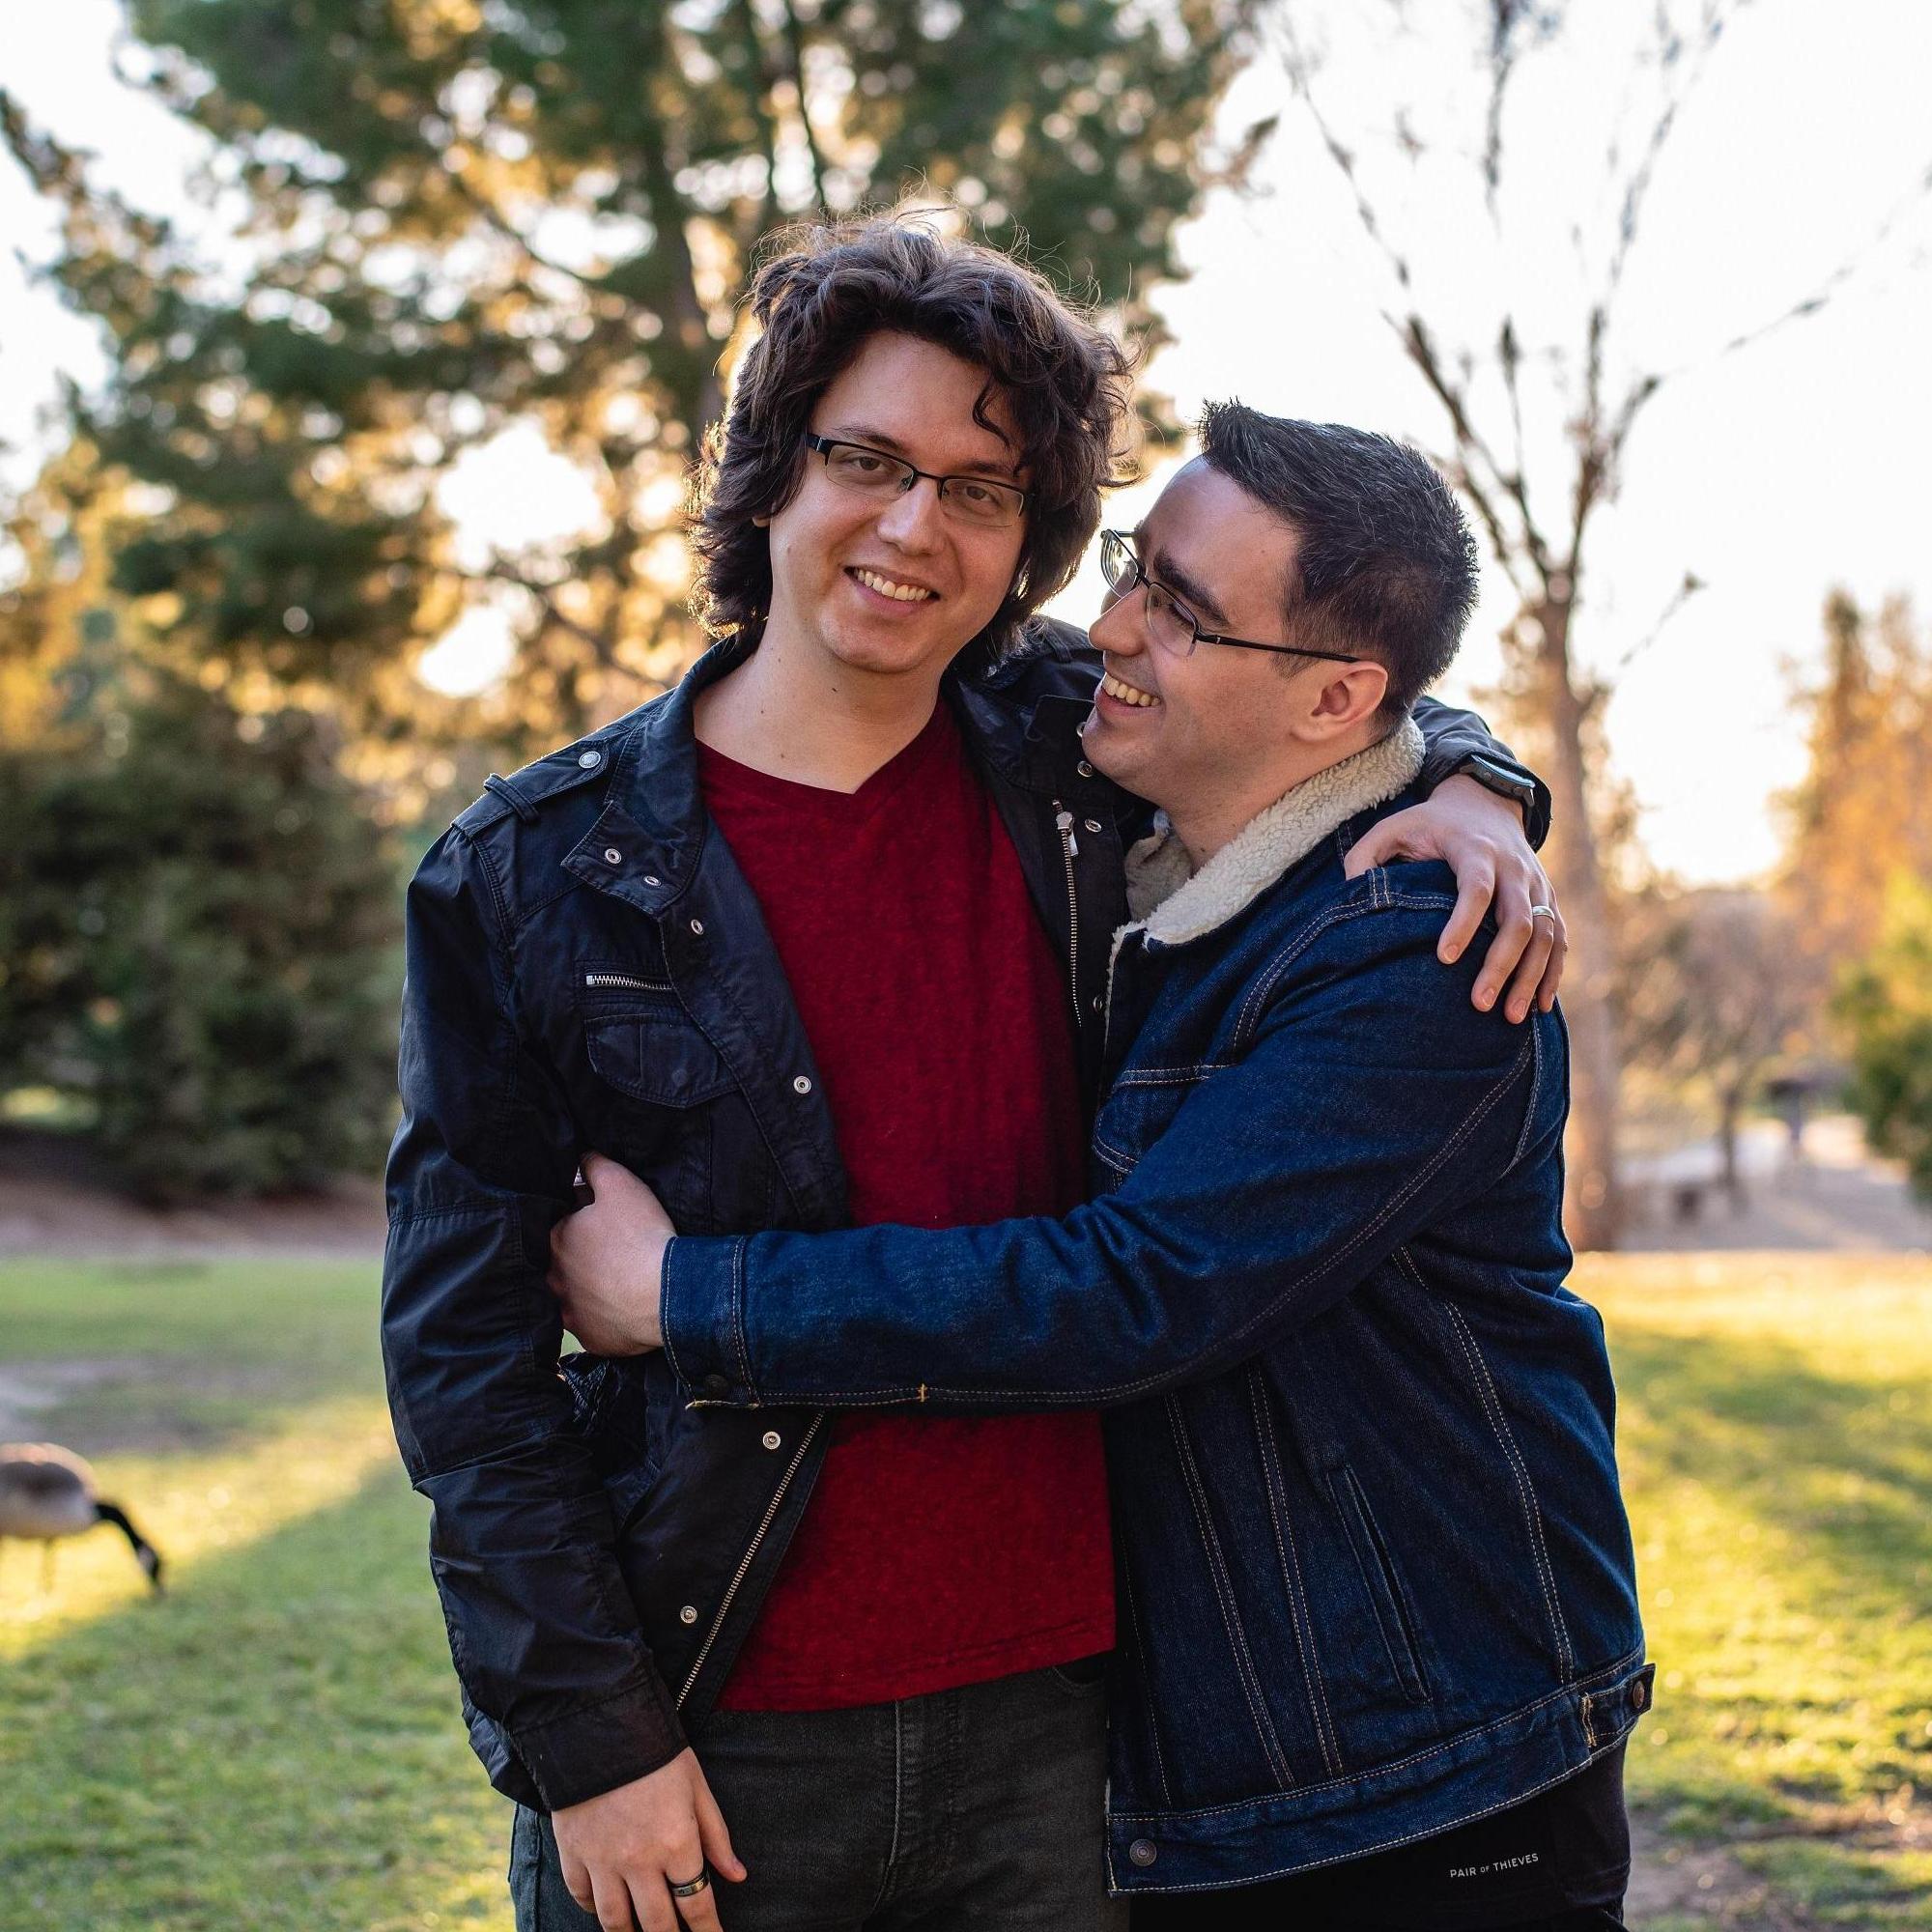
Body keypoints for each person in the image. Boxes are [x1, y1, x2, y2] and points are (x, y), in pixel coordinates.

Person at [383, 213, 1560, 1932]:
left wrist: (1475, 780)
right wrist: (585, 1741)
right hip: (714, 1738)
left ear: (1029, 541)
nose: (913, 527)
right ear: (772, 473)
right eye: (865, 459)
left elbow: (1325, 702)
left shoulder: (1074, 775)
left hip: (1071, 1750)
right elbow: (462, 1366)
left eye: (983, 490)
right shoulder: (535, 873)